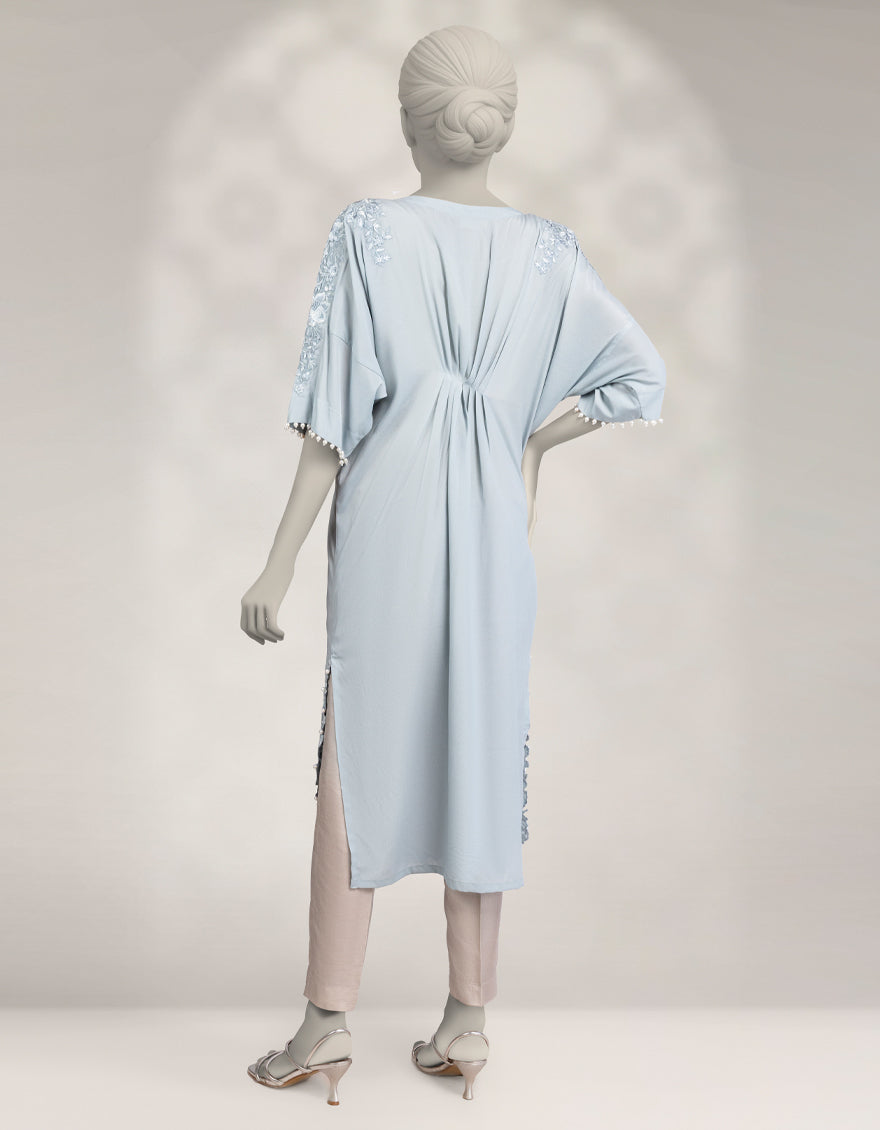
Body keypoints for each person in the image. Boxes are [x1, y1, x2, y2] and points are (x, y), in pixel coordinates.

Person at [241, 24, 666, 1105]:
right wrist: (530, 441)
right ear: (501, 126)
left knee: (356, 757)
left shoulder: (368, 234)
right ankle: (468, 1020)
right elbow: (638, 374)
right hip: (491, 533)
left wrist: (277, 564)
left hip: (388, 526)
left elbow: (331, 421)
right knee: (479, 744)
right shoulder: (550, 252)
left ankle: (326, 1019)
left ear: (407, 121)